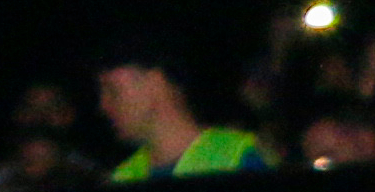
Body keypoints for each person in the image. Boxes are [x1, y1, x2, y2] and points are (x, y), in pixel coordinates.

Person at [95, 43, 270, 179]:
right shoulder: (123, 178)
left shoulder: (240, 159)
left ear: (156, 84)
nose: (104, 105)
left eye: (113, 90)